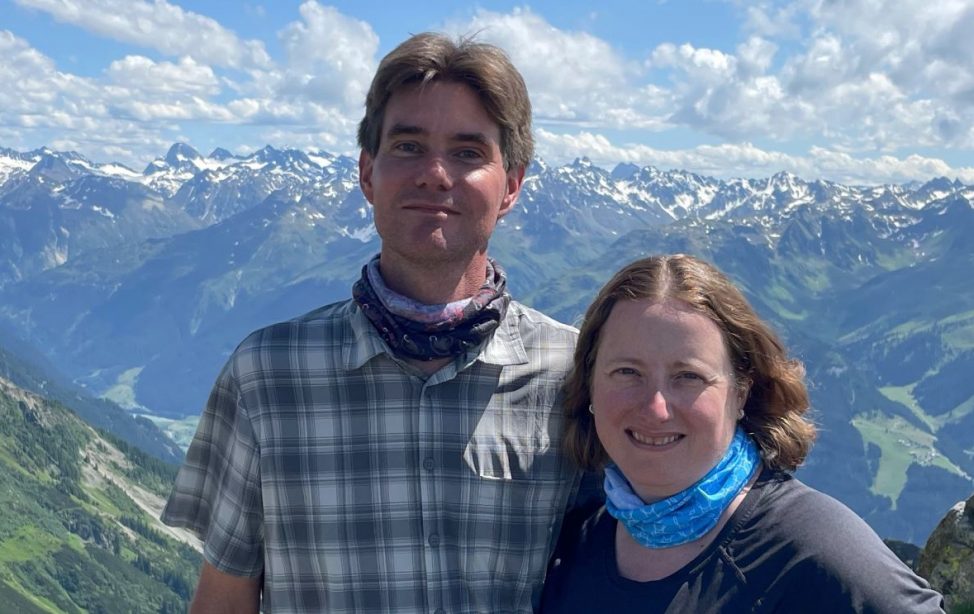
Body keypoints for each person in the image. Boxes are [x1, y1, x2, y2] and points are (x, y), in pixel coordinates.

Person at [162, 32, 595, 613]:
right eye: (409, 146)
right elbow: (223, 599)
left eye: (468, 153)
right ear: (367, 173)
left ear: (512, 185)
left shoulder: (576, 378)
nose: (435, 174)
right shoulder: (266, 376)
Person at [539, 254, 946, 613]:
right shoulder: (578, 536)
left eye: (688, 377)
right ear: (589, 384)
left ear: (740, 394)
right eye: (627, 372)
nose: (655, 407)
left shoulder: (814, 552)